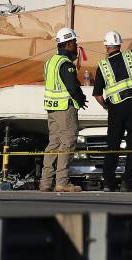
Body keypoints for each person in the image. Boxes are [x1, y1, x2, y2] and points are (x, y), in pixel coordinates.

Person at [93, 31, 132, 192]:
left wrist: (106, 106)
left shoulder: (103, 66)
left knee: (112, 145)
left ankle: (108, 183)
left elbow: (98, 95)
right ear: (119, 44)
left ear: (107, 47)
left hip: (115, 109)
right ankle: (126, 182)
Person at [40, 27, 88, 192]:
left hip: (51, 109)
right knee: (67, 143)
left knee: (53, 144)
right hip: (64, 109)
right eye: (74, 41)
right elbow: (72, 87)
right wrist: (81, 99)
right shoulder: (65, 64)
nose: (76, 44)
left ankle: (45, 182)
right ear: (67, 44)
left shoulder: (50, 62)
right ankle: (62, 181)